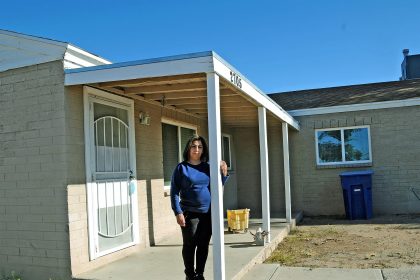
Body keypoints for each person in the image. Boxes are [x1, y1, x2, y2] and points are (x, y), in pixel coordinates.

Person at [170, 135, 229, 280]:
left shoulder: (208, 167)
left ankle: (199, 274)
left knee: (203, 245)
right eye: (193, 146)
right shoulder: (181, 168)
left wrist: (224, 171)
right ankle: (189, 274)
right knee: (190, 245)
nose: (197, 149)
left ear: (203, 150)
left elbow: (219, 184)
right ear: (188, 149)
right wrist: (178, 212)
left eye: (200, 147)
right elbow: (174, 192)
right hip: (190, 213)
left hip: (208, 213)